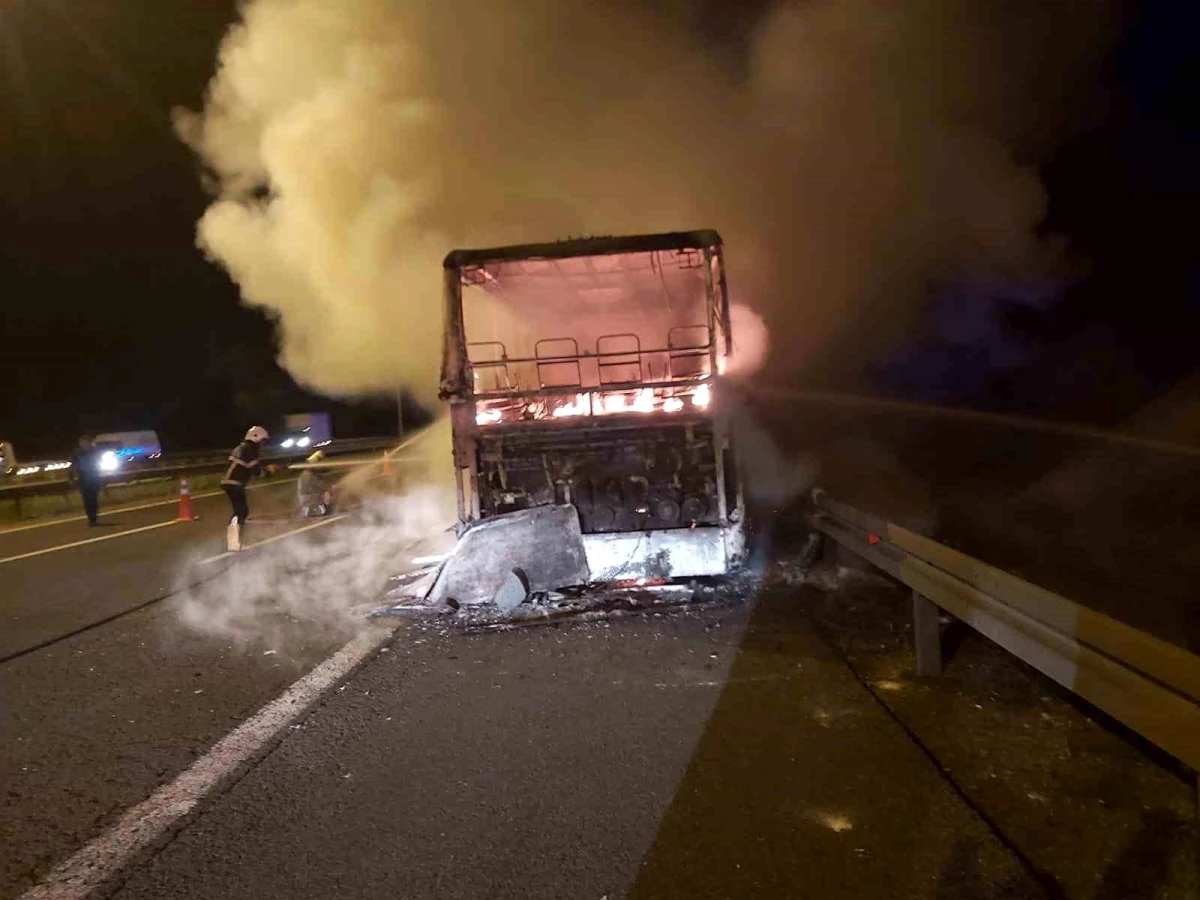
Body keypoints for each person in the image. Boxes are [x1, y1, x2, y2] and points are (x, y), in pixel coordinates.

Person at [222, 425, 269, 550]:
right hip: (234, 483)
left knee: (242, 511)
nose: (263, 444)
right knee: (240, 511)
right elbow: (256, 471)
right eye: (262, 440)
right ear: (255, 437)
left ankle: (235, 541)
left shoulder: (243, 447)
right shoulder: (249, 448)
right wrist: (268, 471)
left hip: (231, 482)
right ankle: (233, 543)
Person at [70, 435, 104, 526]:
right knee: (86, 500)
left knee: (93, 499)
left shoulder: (95, 451)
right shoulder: (76, 453)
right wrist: (71, 477)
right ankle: (90, 518)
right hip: (83, 479)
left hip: (93, 478)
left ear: (89, 442)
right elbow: (73, 465)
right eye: (82, 442)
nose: (84, 444)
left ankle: (94, 517)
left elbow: (99, 463)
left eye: (86, 442)